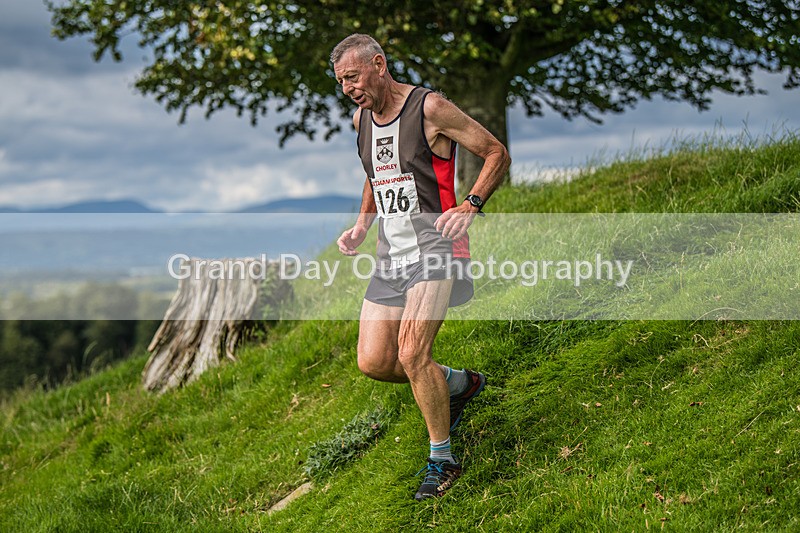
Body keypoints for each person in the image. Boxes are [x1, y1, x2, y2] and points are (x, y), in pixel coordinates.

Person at [331, 34, 510, 501]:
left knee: (412, 354)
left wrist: (471, 204)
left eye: (352, 77)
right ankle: (459, 383)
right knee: (375, 361)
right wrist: (361, 225)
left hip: (437, 247)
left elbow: (495, 152)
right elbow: (376, 174)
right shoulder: (361, 120)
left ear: (379, 64)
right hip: (391, 254)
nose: (348, 88)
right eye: (341, 82)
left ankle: (442, 459)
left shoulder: (429, 108)